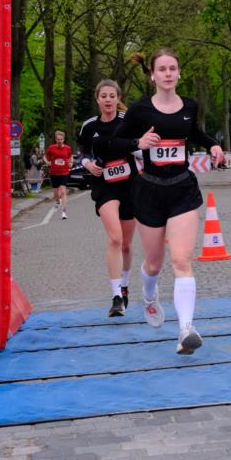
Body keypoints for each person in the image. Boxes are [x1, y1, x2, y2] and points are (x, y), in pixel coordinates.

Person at [109, 48, 225, 355]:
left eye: (173, 68)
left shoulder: (190, 105)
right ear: (152, 75)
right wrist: (138, 143)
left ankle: (186, 328)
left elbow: (195, 133)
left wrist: (213, 146)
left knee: (182, 260)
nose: (168, 73)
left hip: (182, 189)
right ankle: (149, 296)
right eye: (162, 69)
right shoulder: (139, 109)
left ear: (179, 73)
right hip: (149, 191)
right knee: (155, 262)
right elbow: (113, 144)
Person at [78, 79, 137, 318]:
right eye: (104, 96)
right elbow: (81, 150)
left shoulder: (128, 121)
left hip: (130, 184)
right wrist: (87, 163)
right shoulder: (89, 126)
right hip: (104, 185)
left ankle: (124, 286)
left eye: (112, 96)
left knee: (126, 244)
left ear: (117, 98)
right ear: (97, 99)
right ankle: (115, 297)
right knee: (114, 237)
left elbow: (142, 145)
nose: (108, 100)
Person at [44, 130, 72, 218]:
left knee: (63, 192)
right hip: (54, 173)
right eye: (58, 139)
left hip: (64, 173)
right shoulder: (51, 148)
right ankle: (57, 201)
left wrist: (71, 162)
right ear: (56, 140)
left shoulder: (67, 148)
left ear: (64, 139)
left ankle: (64, 212)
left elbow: (70, 156)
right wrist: (47, 162)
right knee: (56, 194)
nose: (59, 141)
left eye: (61, 139)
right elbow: (45, 156)